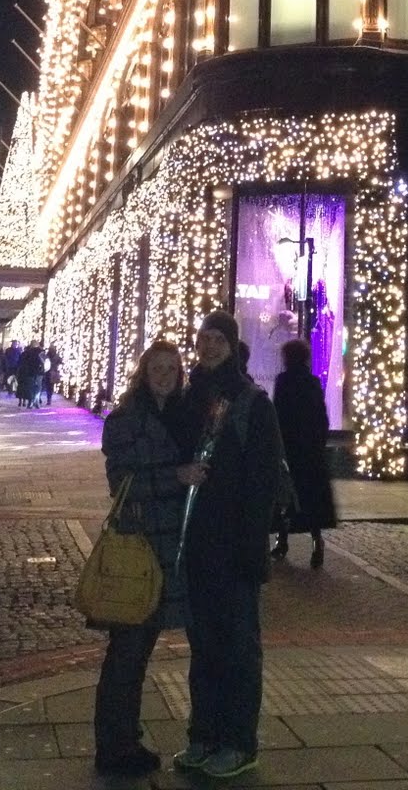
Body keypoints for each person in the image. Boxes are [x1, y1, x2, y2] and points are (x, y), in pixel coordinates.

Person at [174, 310, 283, 781]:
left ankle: (239, 743)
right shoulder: (189, 396)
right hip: (196, 542)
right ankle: (203, 735)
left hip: (234, 545)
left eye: (219, 338)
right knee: (203, 646)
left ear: (232, 345)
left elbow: (263, 480)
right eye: (205, 337)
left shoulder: (252, 402)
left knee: (238, 647)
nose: (210, 345)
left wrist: (252, 544)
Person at [94, 339, 199, 777]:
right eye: (157, 368)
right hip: (137, 550)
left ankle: (124, 738)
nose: (164, 376)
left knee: (137, 652)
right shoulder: (124, 420)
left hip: (167, 548)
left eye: (172, 369)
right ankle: (114, 746)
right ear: (143, 372)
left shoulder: (181, 416)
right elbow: (122, 485)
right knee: (127, 651)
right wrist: (177, 476)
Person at [271, 336, 336, 568]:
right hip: (309, 450)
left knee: (286, 497)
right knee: (311, 499)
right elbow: (321, 416)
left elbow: (278, 414)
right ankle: (317, 541)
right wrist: (319, 441)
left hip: (290, 448)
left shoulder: (283, 381)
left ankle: (282, 540)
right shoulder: (312, 382)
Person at [16, 342, 44, 408]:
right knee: (37, 387)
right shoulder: (41, 353)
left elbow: (21, 363)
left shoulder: (26, 353)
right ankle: (35, 401)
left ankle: (31, 401)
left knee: (31, 388)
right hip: (38, 373)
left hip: (30, 373)